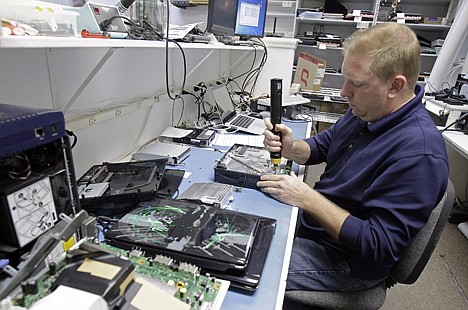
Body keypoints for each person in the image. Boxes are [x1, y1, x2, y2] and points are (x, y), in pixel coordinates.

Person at [256, 23, 449, 292]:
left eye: (356, 84)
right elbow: (324, 145)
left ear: (395, 85)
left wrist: (307, 198)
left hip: (345, 261)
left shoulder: (419, 154)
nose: (344, 93)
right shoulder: (368, 109)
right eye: (345, 79)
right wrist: (290, 147)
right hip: (314, 226)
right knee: (236, 226)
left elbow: (380, 246)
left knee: (238, 263)